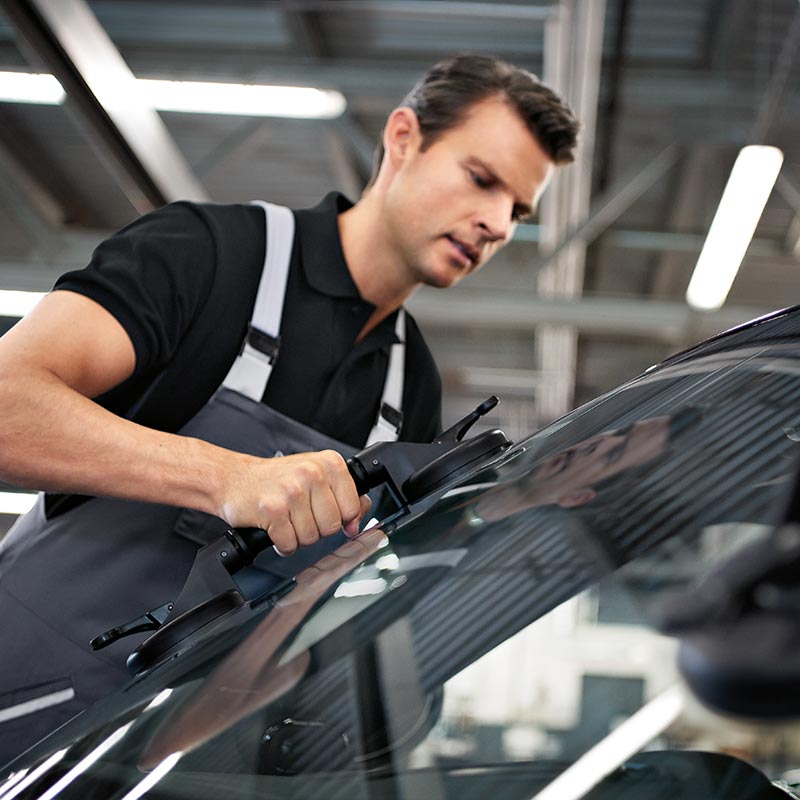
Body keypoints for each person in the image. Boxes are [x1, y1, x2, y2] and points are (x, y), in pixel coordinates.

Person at [0, 53, 578, 762]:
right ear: (403, 139)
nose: (495, 222)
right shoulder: (213, 254)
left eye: (517, 209)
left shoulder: (411, 392)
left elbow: (304, 610)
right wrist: (229, 479)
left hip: (141, 760)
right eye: (481, 179)